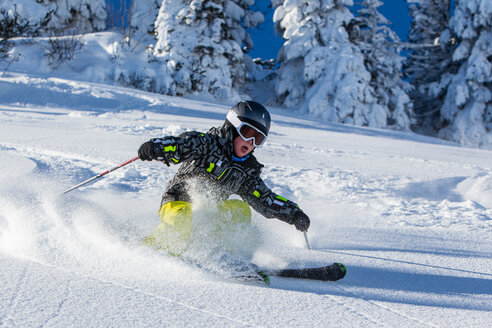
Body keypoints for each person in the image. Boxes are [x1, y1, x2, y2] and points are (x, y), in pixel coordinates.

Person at [138, 100, 310, 256]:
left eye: (257, 139)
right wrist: (158, 147)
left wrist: (293, 213)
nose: (250, 142)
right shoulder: (207, 144)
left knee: (240, 210)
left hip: (211, 211)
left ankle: (226, 256)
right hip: (177, 202)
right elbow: (181, 145)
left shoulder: (247, 171)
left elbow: (265, 198)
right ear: (232, 127)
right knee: (182, 217)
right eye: (247, 132)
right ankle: (153, 251)